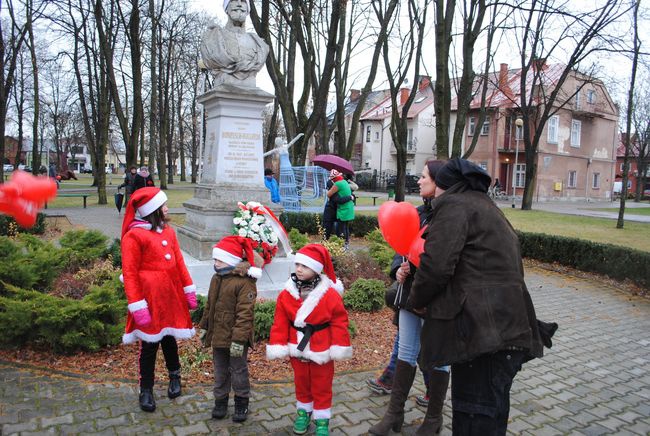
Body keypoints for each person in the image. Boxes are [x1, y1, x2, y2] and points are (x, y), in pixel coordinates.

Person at [408, 158, 545, 435]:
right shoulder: (486, 207)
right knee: (492, 413)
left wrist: (415, 301)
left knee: (475, 416)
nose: (422, 182)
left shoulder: (454, 206)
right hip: (507, 329)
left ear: (445, 184)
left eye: (426, 177)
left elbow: (436, 266)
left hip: (481, 333)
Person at [368, 160, 450, 436]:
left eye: (424, 176)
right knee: (405, 352)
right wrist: (398, 269)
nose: (419, 180)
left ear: (438, 182)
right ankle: (394, 414)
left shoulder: (451, 218)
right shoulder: (417, 212)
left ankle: (433, 418)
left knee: (438, 357)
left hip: (438, 298)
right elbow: (401, 247)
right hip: (409, 295)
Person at [120, 187, 198, 412]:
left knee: (170, 340)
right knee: (150, 345)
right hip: (149, 300)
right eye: (163, 205)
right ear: (152, 210)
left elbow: (180, 263)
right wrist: (137, 306)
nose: (166, 208)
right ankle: (146, 389)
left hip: (170, 296)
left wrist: (188, 290)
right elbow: (130, 273)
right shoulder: (134, 236)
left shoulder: (169, 232)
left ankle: (175, 377)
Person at [266, 244, 352, 436]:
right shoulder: (286, 293)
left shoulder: (329, 294)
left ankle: (322, 419)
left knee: (322, 384)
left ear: (317, 268)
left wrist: (339, 345)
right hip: (296, 346)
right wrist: (278, 344)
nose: (298, 269)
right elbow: (280, 321)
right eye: (297, 264)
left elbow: (339, 320)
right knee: (302, 382)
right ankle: (303, 412)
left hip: (321, 348)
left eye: (304, 266)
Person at [200, 236, 263, 423]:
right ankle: (220, 401)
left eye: (219, 259)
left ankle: (242, 401)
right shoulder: (216, 278)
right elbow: (209, 306)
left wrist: (239, 340)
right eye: (215, 259)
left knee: (238, 370)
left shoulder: (245, 283)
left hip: (236, 338)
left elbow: (245, 315)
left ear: (230, 260)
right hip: (218, 334)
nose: (215, 263)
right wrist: (205, 327)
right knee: (220, 370)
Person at [199, 0, 269, 85]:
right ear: (226, 8)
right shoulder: (213, 38)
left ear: (247, 9)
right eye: (234, 0)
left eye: (243, 1)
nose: (239, 4)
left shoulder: (259, 44)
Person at [326, 170, 354, 250]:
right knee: (346, 227)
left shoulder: (338, 184)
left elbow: (328, 194)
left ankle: (343, 246)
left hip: (343, 209)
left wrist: (331, 187)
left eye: (332, 179)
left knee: (341, 229)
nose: (332, 180)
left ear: (334, 178)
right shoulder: (344, 182)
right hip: (349, 208)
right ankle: (346, 244)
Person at [322, 175, 353, 240]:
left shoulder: (338, 189)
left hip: (337, 212)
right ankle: (326, 242)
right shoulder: (334, 194)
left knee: (342, 228)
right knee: (335, 229)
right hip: (331, 213)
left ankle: (344, 243)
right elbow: (339, 200)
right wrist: (350, 197)